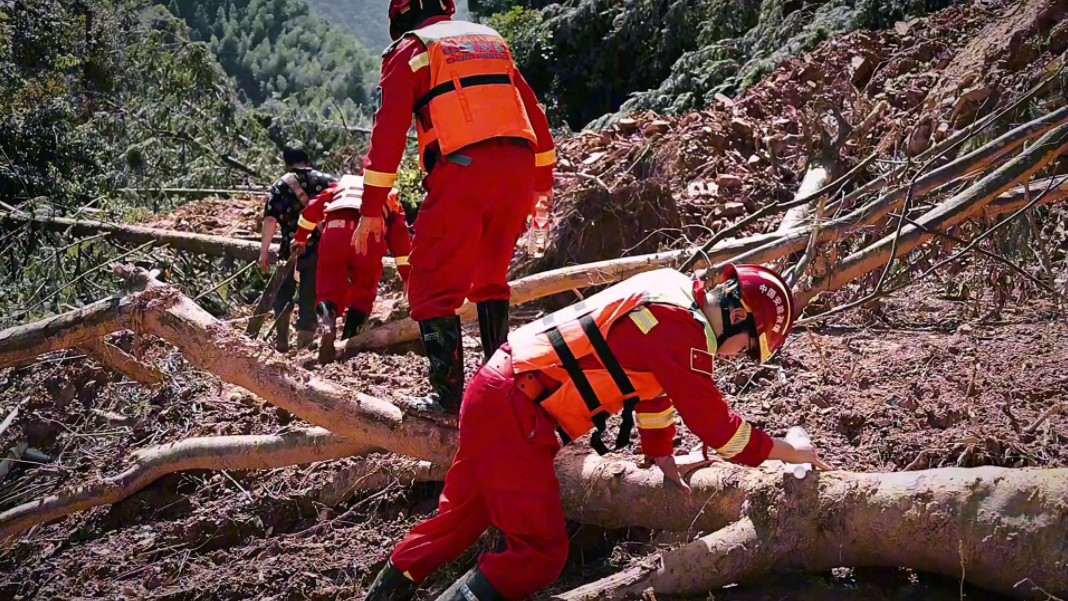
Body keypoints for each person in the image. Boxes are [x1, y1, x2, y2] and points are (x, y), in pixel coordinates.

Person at [362, 264, 834, 601]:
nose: (736, 357)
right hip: (518, 412)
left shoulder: (670, 288)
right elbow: (722, 432)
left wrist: (661, 455)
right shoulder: (684, 333)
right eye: (748, 346)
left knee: (462, 520)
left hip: (497, 387)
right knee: (542, 554)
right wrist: (789, 450)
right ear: (738, 316)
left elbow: (652, 388)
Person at [351, 0, 557, 413]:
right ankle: (502, 388)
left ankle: (447, 401)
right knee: (490, 280)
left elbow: (388, 134)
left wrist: (372, 208)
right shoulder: (489, 42)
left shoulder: (411, 52)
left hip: (464, 171)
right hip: (519, 167)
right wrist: (541, 186)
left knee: (429, 282)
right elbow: (534, 113)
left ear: (401, 14)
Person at [292, 174, 412, 364]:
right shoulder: (390, 193)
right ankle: (349, 341)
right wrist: (406, 274)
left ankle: (328, 319)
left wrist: (300, 237)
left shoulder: (341, 186)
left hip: (334, 232)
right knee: (364, 291)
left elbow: (311, 210)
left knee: (328, 285)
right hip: (370, 236)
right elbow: (400, 237)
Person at [258, 143, 337, 352]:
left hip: (291, 247)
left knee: (283, 292)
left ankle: (282, 338)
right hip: (321, 247)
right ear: (307, 160)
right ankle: (304, 342)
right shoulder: (328, 181)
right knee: (310, 293)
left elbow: (270, 220)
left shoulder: (280, 186)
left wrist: (263, 252)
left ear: (286, 163)